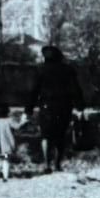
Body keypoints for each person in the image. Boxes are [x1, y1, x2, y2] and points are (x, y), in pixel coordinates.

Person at [28, 44, 83, 173]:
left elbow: (33, 91)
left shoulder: (40, 69)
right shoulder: (68, 70)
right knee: (60, 135)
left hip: (46, 106)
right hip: (64, 106)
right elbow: (76, 89)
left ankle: (47, 164)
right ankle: (57, 164)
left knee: (46, 135)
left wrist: (28, 109)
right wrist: (80, 107)